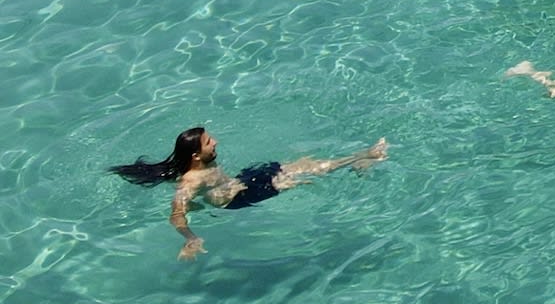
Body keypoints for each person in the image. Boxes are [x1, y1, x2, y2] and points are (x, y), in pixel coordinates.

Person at [111, 126, 388, 260]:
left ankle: (358, 161)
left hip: (242, 180)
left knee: (305, 162)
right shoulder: (191, 181)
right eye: (209, 141)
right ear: (197, 154)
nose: (215, 141)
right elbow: (176, 215)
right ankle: (366, 157)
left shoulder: (202, 164)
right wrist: (190, 239)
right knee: (306, 171)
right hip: (240, 197)